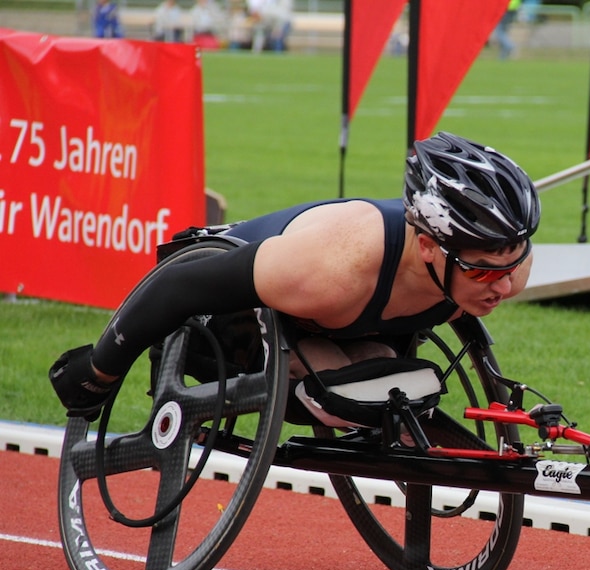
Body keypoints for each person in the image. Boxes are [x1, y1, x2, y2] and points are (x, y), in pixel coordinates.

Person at [48, 132, 539, 424]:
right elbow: (178, 283)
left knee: (379, 379)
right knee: (341, 392)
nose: (502, 285)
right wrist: (98, 370)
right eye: (481, 270)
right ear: (428, 245)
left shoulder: (505, 264)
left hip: (351, 322)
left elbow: (498, 268)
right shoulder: (332, 267)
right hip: (230, 308)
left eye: (512, 265)